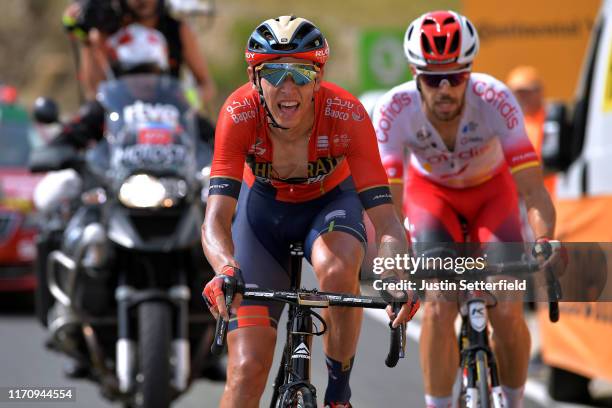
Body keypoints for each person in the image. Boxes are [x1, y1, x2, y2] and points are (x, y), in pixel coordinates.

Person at [200, 15, 419, 408]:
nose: (288, 88)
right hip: (262, 220)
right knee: (247, 369)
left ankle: (339, 392)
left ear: (318, 78)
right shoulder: (237, 115)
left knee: (337, 271)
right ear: (254, 78)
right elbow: (216, 219)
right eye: (275, 73)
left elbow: (387, 220)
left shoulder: (348, 115)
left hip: (330, 206)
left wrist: (397, 273)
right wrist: (225, 269)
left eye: (300, 74)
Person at [373, 10, 563, 408]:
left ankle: (512, 401)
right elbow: (386, 205)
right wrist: (393, 265)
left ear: (470, 72)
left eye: (456, 77)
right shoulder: (393, 109)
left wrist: (544, 238)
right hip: (432, 198)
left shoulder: (495, 98)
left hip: (491, 196)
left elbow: (532, 189)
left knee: (508, 303)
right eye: (432, 78)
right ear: (414, 73)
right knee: (440, 302)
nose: (445, 89)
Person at [63, 0, 216, 108]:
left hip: (170, 119)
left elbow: (206, 85)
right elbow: (94, 92)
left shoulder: (178, 30)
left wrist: (187, 99)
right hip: (120, 121)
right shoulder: (104, 33)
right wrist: (86, 41)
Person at [506, 65, 556, 196]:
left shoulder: (552, 118)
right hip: (521, 199)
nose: (522, 98)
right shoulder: (510, 123)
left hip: (551, 196)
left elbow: (554, 163)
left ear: (539, 91)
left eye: (526, 93)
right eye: (517, 93)